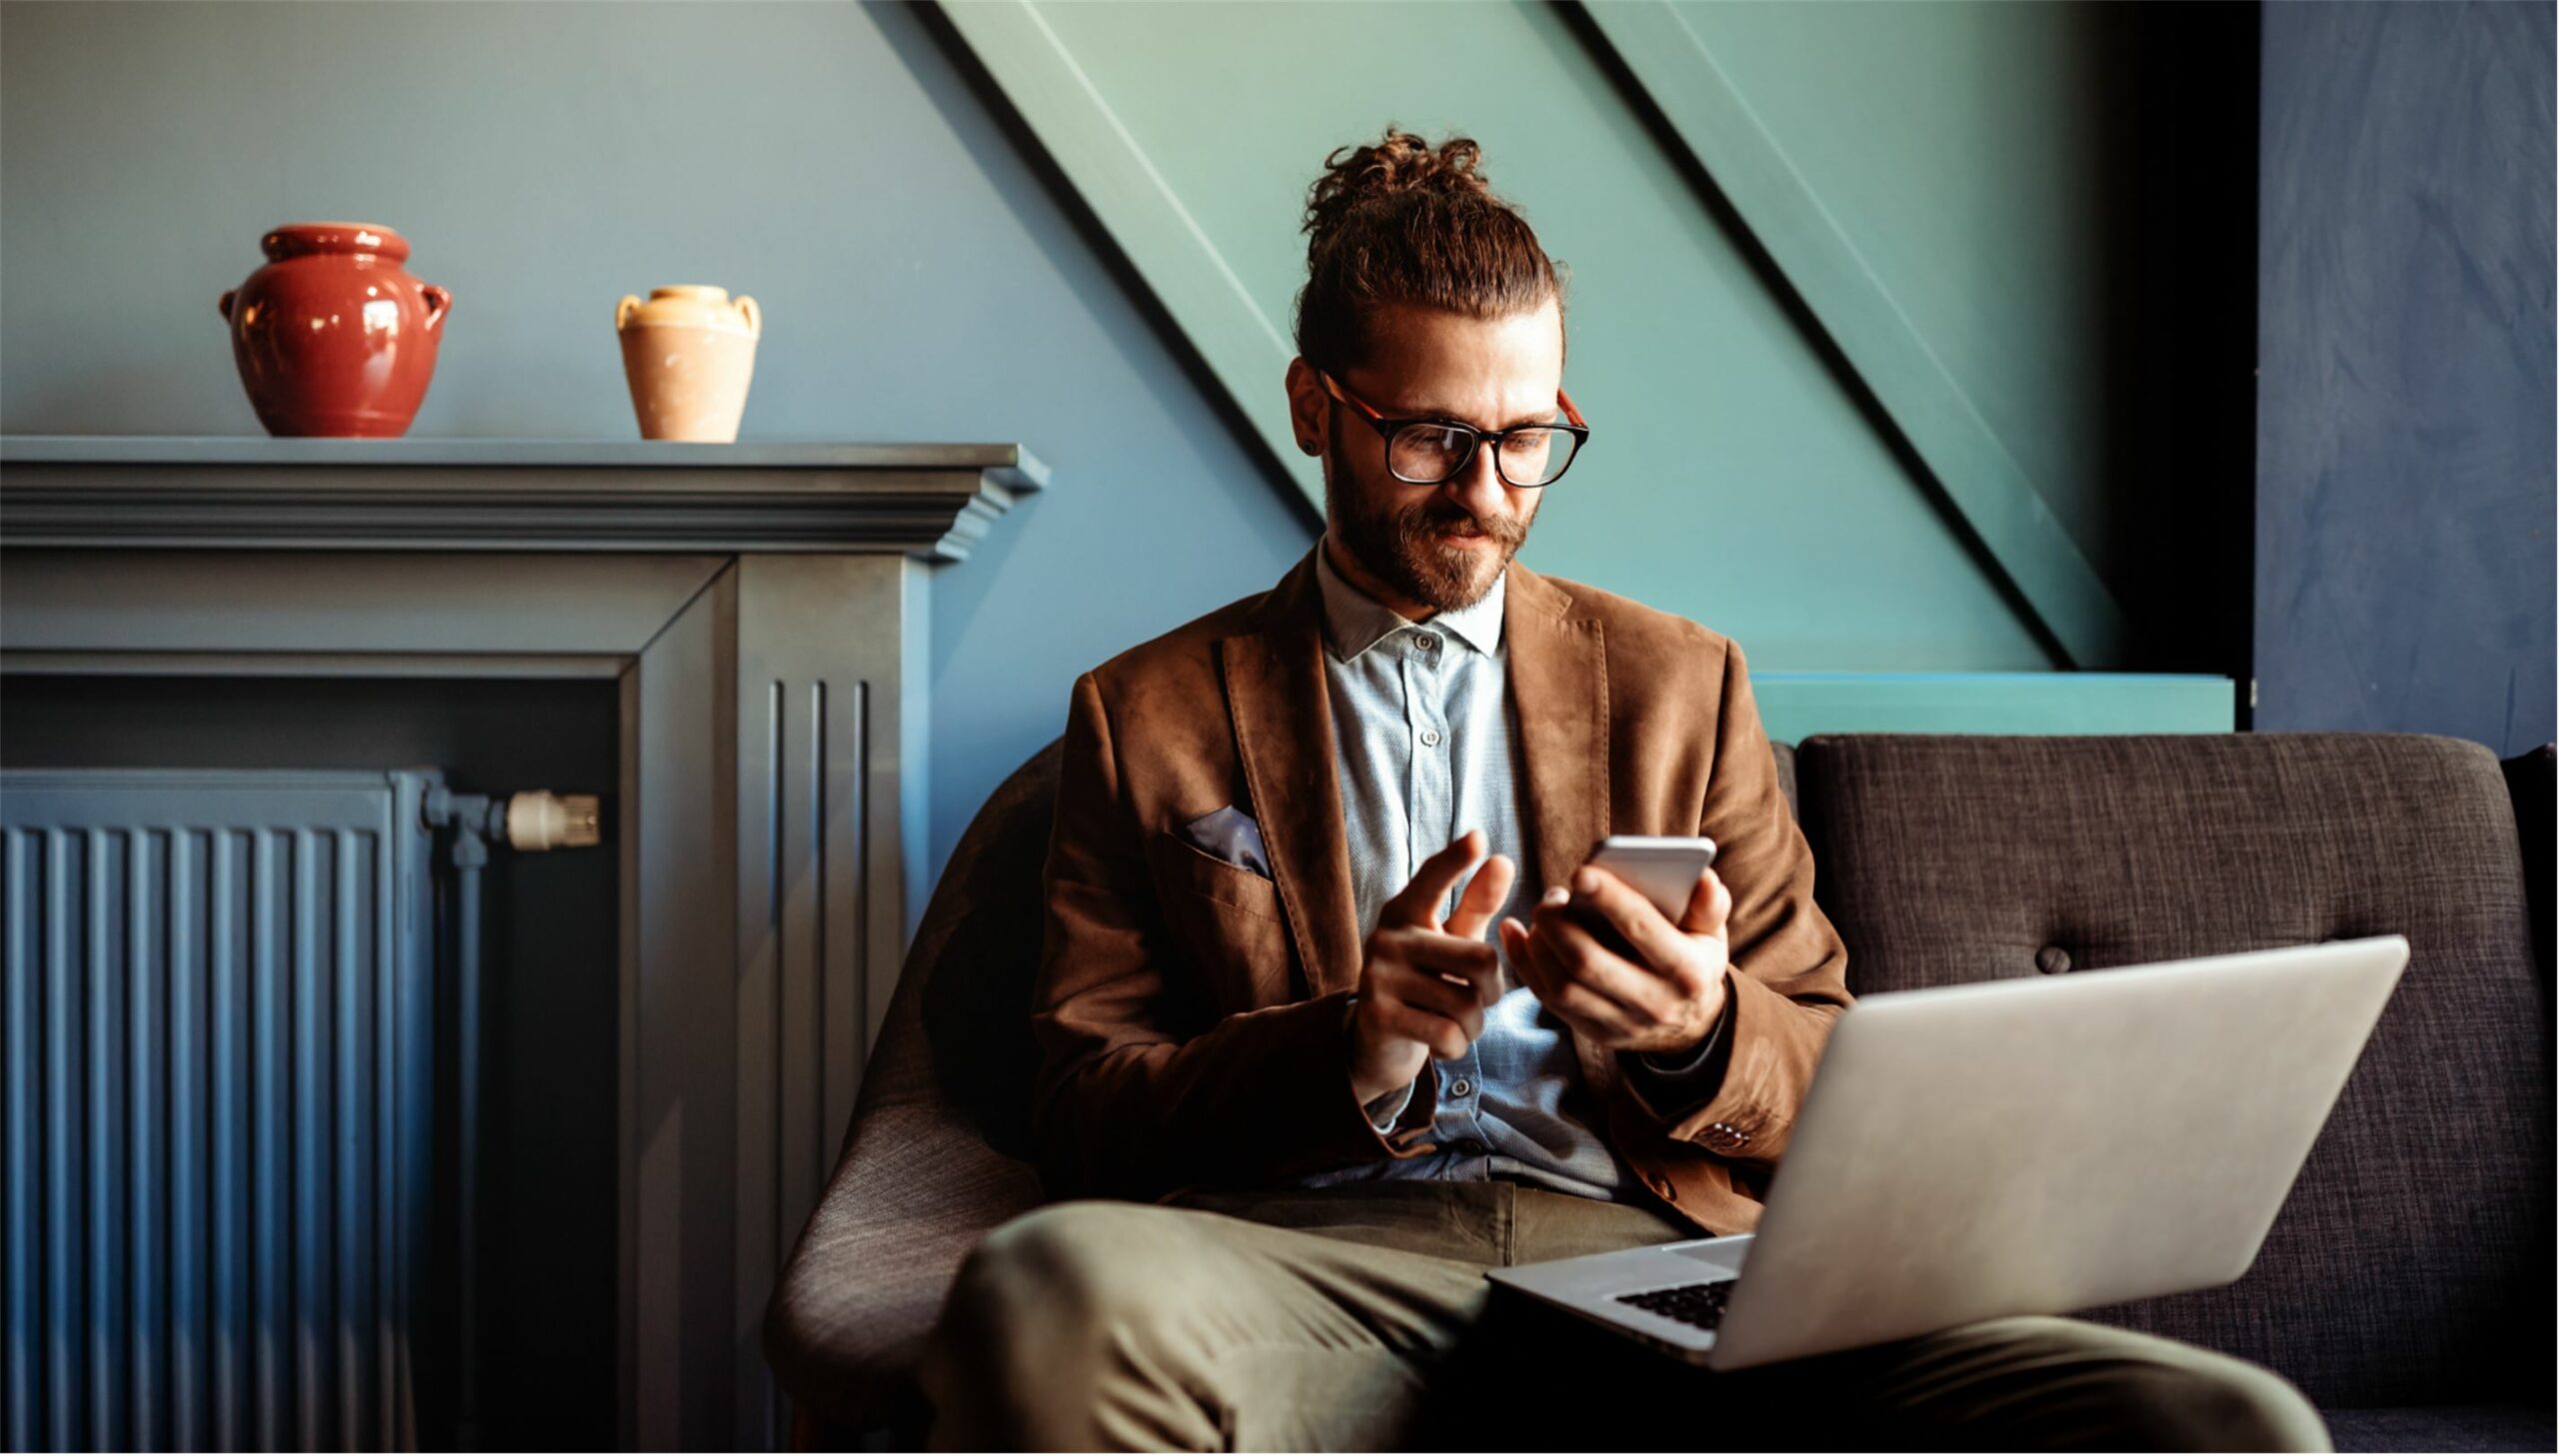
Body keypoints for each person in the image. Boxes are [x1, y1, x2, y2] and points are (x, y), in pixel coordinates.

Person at [917, 129, 2328, 1452]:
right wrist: (1350, 1048)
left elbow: (1826, 1068)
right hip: (1312, 1274)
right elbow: (1088, 1105)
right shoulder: (1145, 713)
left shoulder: (1680, 683)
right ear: (1313, 406)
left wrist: (1701, 1029)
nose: (1485, 490)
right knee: (1046, 1291)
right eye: (1428, 438)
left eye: (1526, 437)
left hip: (1656, 1269)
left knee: (2214, 1419)